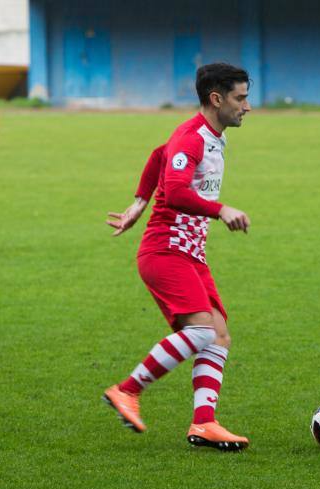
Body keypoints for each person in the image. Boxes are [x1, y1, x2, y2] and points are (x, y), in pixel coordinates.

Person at [103, 63, 252, 451]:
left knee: (218, 334)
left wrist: (137, 203)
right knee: (201, 330)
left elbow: (157, 156)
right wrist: (221, 209)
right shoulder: (192, 138)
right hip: (166, 250)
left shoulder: (204, 135)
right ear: (216, 99)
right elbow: (176, 190)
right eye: (241, 97)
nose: (247, 106)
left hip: (190, 253)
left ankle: (204, 423)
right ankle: (126, 391)